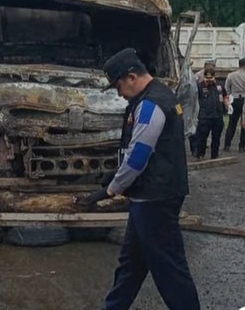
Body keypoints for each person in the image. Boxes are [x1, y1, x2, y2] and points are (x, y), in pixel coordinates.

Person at [81, 48, 199, 310]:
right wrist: (118, 173)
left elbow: (139, 156)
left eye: (118, 85)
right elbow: (146, 151)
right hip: (147, 195)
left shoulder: (150, 103)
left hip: (155, 198)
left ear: (132, 76)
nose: (118, 93)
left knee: (170, 270)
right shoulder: (154, 97)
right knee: (131, 266)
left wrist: (111, 189)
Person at [194, 66, 228, 160]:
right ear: (204, 76)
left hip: (217, 116)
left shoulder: (220, 86)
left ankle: (215, 154)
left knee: (216, 137)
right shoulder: (200, 86)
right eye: (207, 78)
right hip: (204, 116)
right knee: (202, 137)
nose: (208, 80)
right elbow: (195, 100)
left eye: (211, 78)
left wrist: (227, 105)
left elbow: (225, 96)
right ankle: (200, 154)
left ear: (214, 76)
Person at [224, 58, 245, 152]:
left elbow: (227, 88)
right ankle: (241, 146)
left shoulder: (231, 75)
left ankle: (227, 145)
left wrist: (229, 96)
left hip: (234, 100)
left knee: (232, 123)